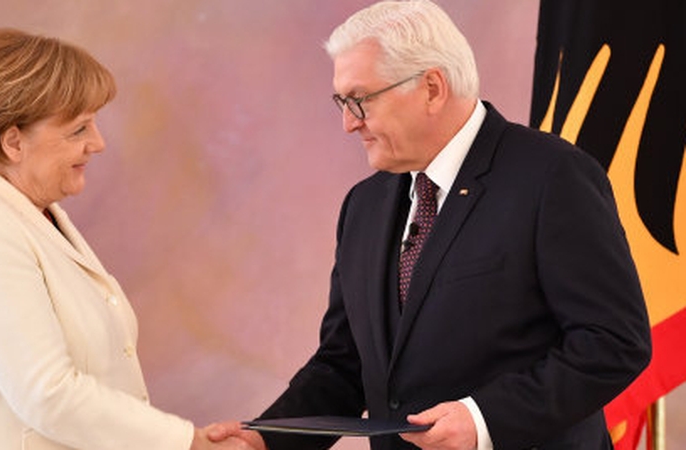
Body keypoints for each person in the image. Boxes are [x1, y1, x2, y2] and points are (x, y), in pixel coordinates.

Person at [210, 1, 652, 449]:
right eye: (342, 102)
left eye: (360, 99)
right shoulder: (363, 206)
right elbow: (344, 364)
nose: (348, 123)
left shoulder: (552, 176)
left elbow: (614, 341)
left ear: (432, 88)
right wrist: (263, 440)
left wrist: (483, 420)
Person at [0, 28, 251, 450]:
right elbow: (48, 394)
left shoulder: (29, 213)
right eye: (78, 129)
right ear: (13, 141)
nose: (98, 143)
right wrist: (189, 444)